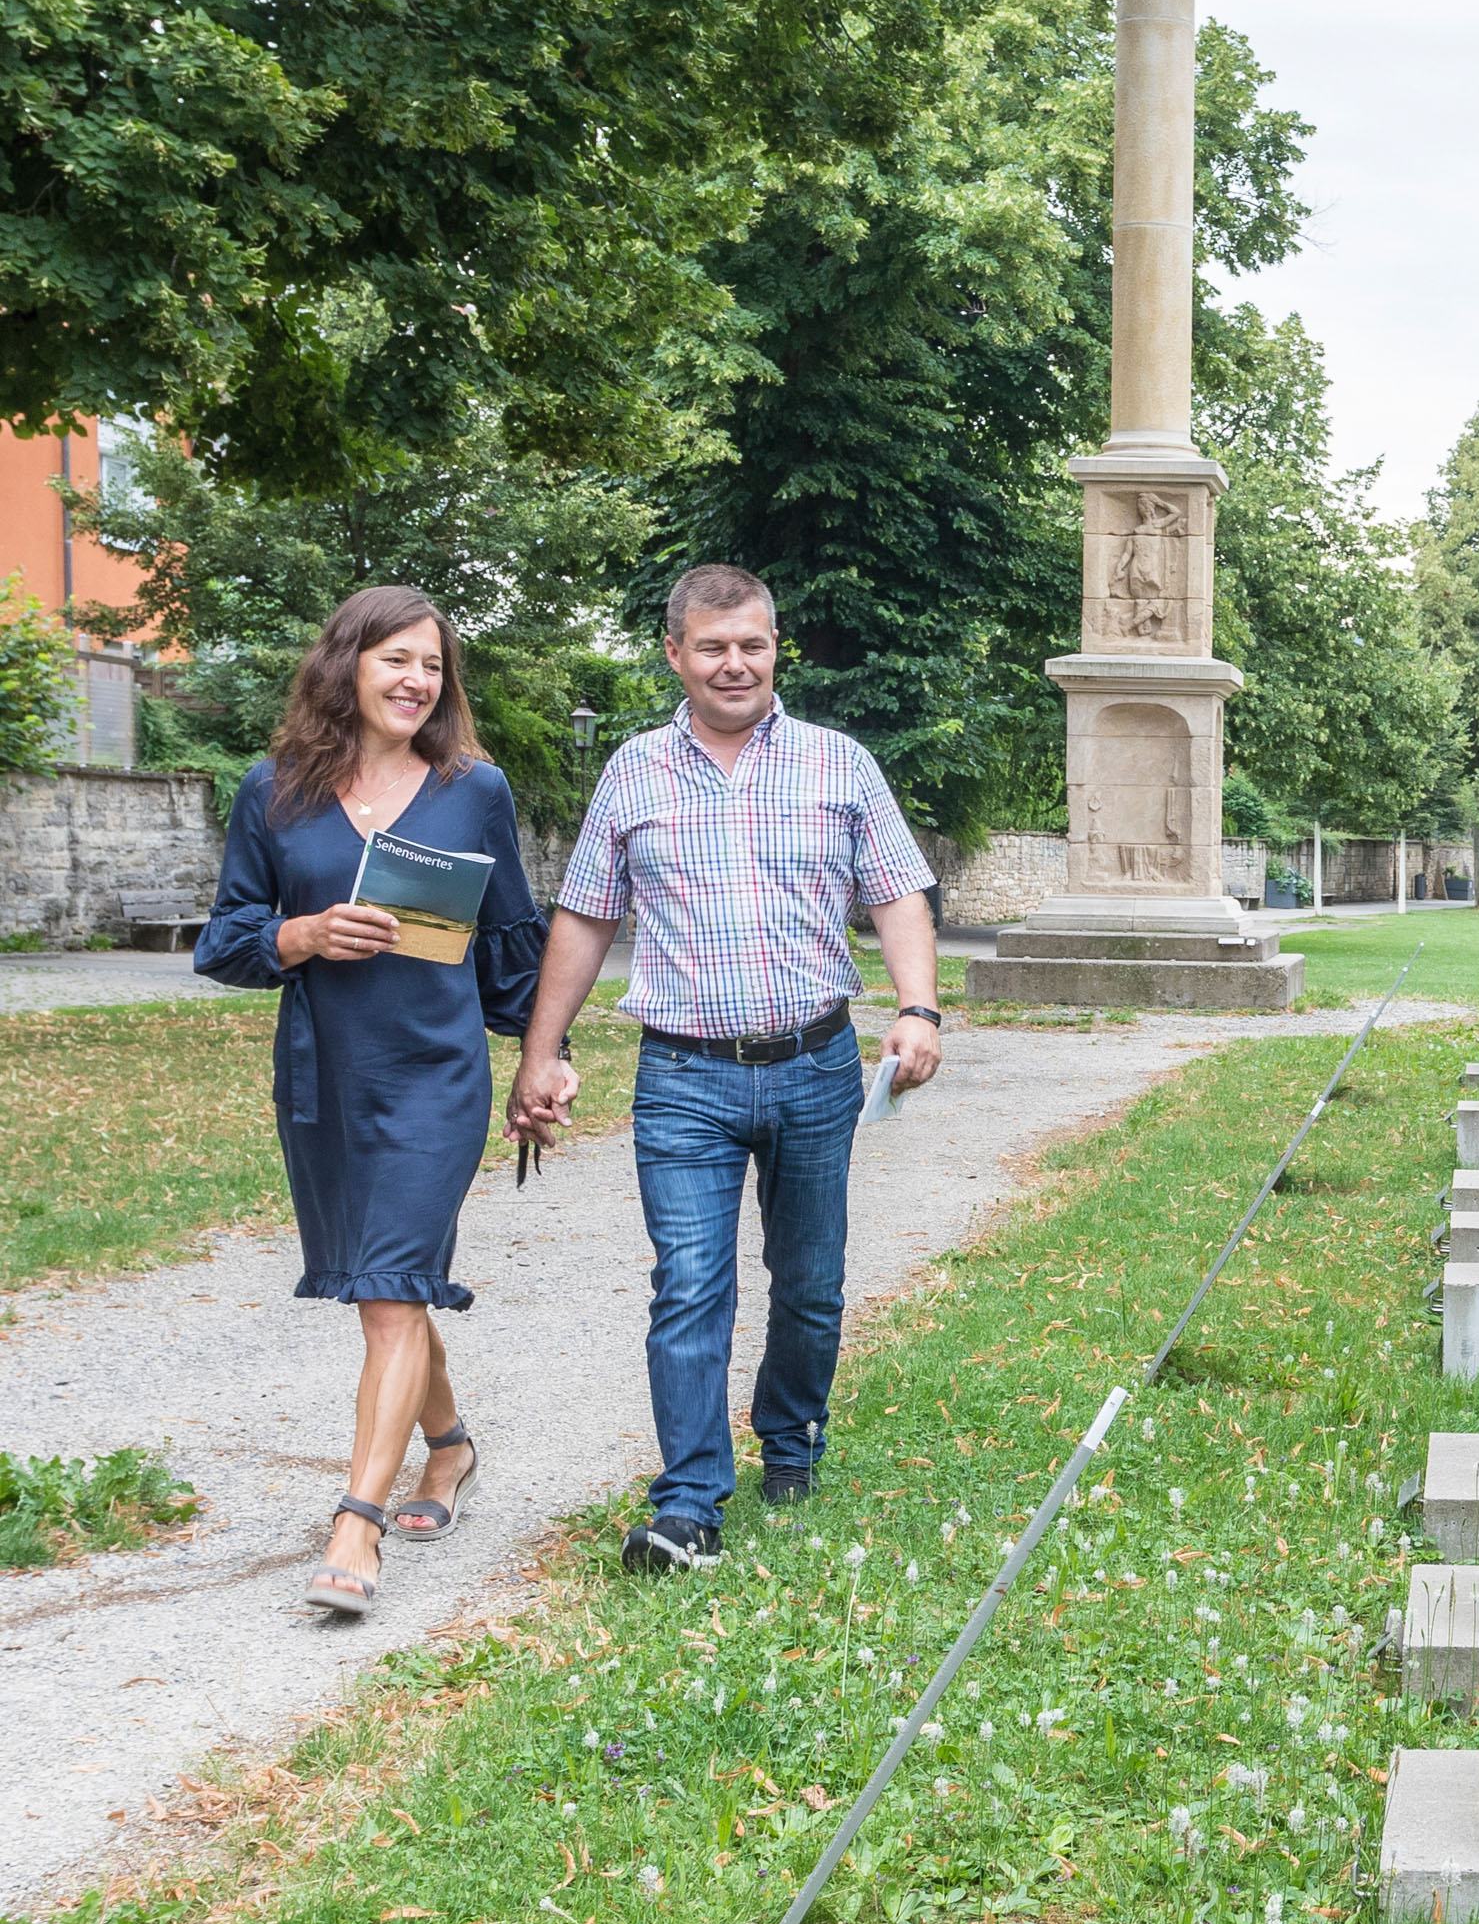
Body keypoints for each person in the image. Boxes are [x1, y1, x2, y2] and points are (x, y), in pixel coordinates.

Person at [511, 564, 942, 1573]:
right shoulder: (632, 771)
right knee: (690, 1283)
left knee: (809, 1285)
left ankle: (790, 1443)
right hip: (683, 1077)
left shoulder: (839, 764)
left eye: (750, 643)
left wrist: (918, 1008)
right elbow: (584, 914)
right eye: (712, 646)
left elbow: (898, 896)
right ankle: (690, 1505)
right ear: (676, 654)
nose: (733, 663)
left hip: (814, 1064)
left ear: (773, 646)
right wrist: (542, 1051)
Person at [194, 587, 549, 1621]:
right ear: (346, 664)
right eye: (396, 659)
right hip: (322, 1079)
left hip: (436, 1077)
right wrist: (299, 937)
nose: (416, 681)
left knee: (392, 1289)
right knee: (385, 1288)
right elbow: (225, 938)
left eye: (432, 665)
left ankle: (358, 1524)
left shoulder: (473, 789)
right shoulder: (274, 792)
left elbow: (510, 940)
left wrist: (543, 1055)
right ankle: (451, 1450)